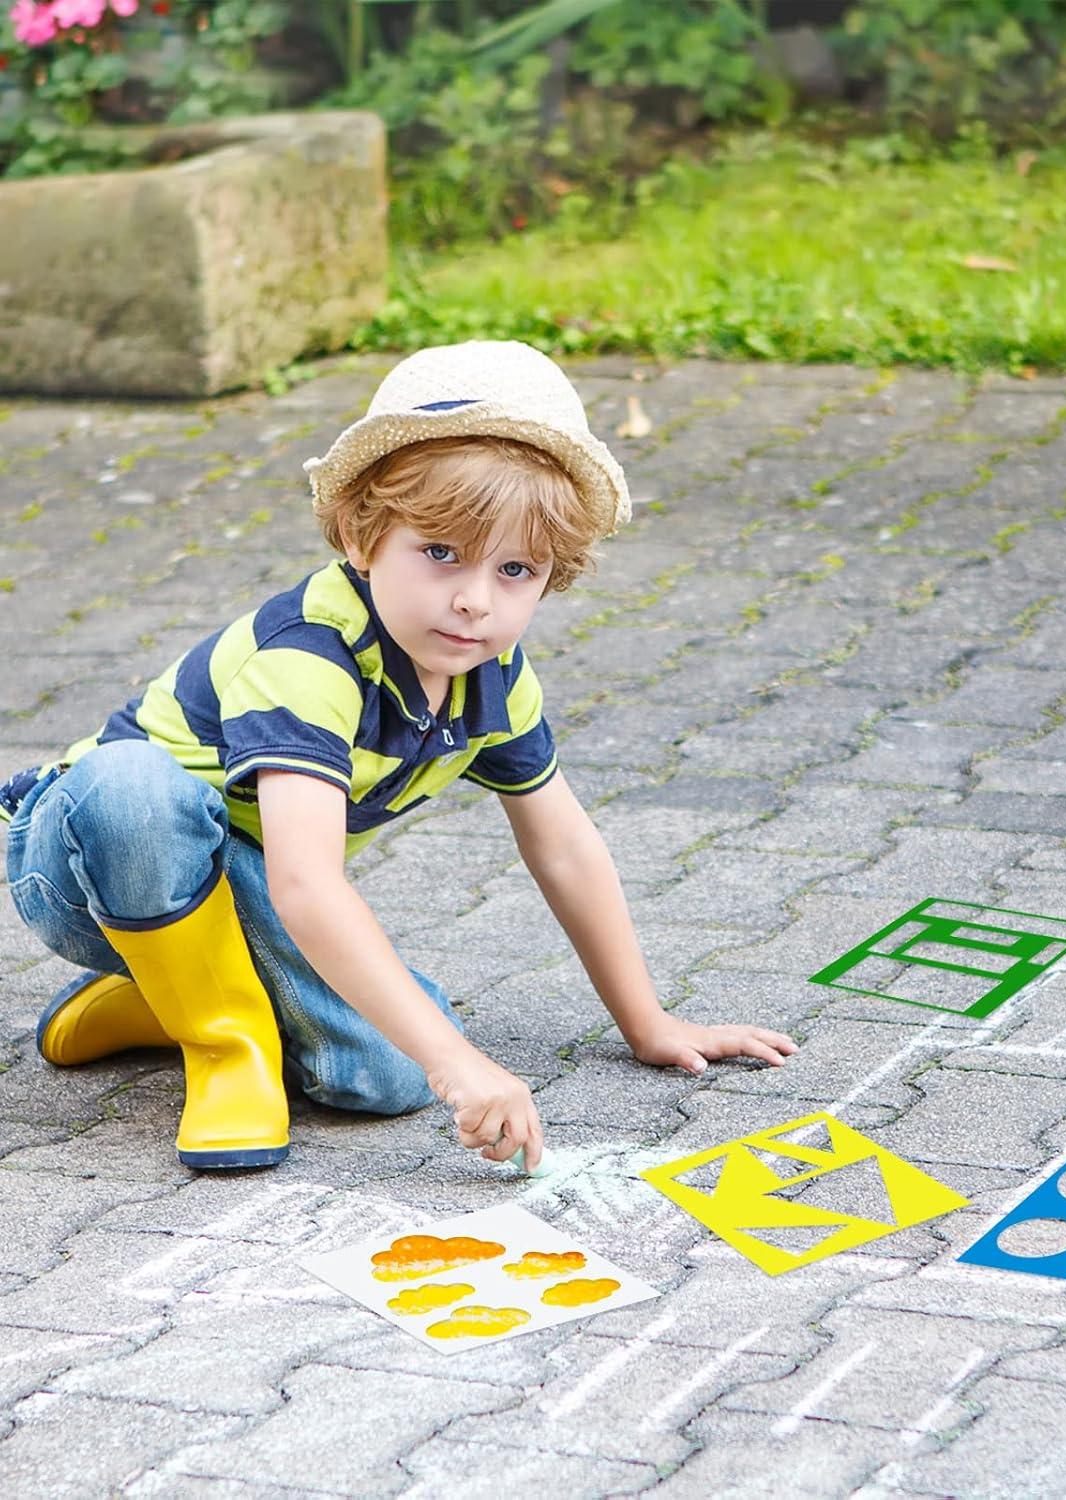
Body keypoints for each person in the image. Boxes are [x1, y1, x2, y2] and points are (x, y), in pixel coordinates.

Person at [0, 341, 797, 1172]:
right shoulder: (307, 656)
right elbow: (305, 881)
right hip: (87, 867)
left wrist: (648, 1022)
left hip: (240, 894)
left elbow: (561, 844)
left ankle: (151, 1002)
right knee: (133, 786)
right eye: (441, 551)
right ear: (360, 533)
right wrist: (460, 1062)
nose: (473, 598)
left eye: (516, 569)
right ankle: (220, 1046)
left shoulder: (484, 669)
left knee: (383, 1076)